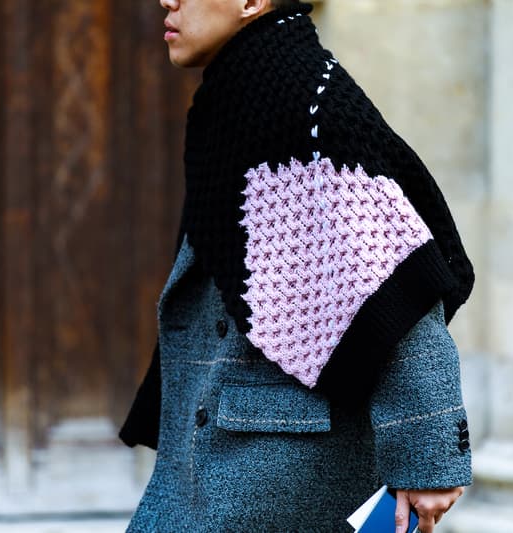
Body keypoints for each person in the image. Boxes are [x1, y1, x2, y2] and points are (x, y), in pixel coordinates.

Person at [120, 0, 476, 531]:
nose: (167, 1)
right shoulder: (238, 98)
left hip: (278, 462)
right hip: (236, 449)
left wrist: (429, 454)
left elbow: (391, 285)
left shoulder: (300, 104)